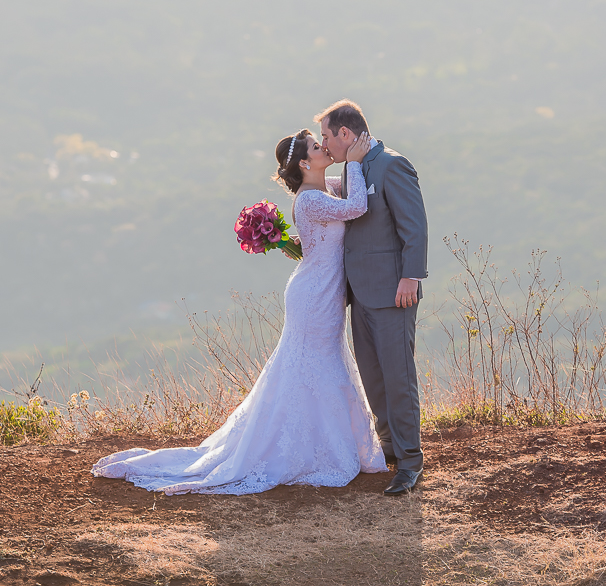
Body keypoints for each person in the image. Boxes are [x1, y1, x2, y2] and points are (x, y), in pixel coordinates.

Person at [91, 128, 386, 494]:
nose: (324, 146)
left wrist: (350, 161)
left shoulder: (322, 189)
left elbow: (342, 201)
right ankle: (309, 451)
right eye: (316, 145)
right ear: (306, 163)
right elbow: (357, 206)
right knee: (315, 366)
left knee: (318, 365)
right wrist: (355, 163)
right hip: (313, 297)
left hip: (321, 291)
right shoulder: (309, 199)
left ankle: (324, 445)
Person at [316, 99, 429, 496]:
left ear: (346, 134)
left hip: (393, 291)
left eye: (328, 136)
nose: (325, 144)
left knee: (398, 377)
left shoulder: (391, 165)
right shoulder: (353, 169)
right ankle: (390, 450)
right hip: (359, 294)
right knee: (373, 377)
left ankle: (411, 462)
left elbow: (414, 226)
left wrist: (410, 278)